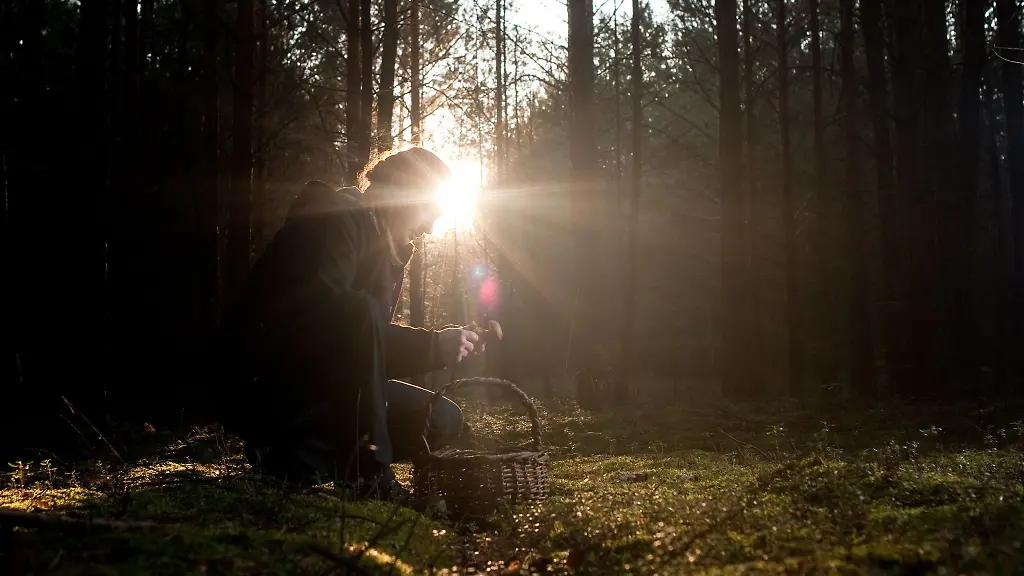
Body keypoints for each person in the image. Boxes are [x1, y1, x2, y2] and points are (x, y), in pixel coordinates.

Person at [213, 147, 486, 501]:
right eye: (430, 211)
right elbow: (322, 322)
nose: (431, 228)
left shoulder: (386, 249)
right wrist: (430, 344)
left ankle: (296, 459)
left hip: (322, 386)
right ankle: (367, 477)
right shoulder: (333, 221)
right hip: (265, 386)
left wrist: (438, 346)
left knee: (444, 418)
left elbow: (366, 350)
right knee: (357, 309)